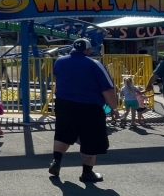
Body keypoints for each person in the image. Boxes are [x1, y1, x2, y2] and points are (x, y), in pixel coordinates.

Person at [48, 39, 117, 183]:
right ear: (88, 50)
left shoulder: (60, 62)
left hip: (64, 104)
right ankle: (87, 173)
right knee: (90, 139)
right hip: (90, 107)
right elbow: (107, 90)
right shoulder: (95, 64)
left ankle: (56, 161)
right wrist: (112, 108)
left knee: (63, 134)